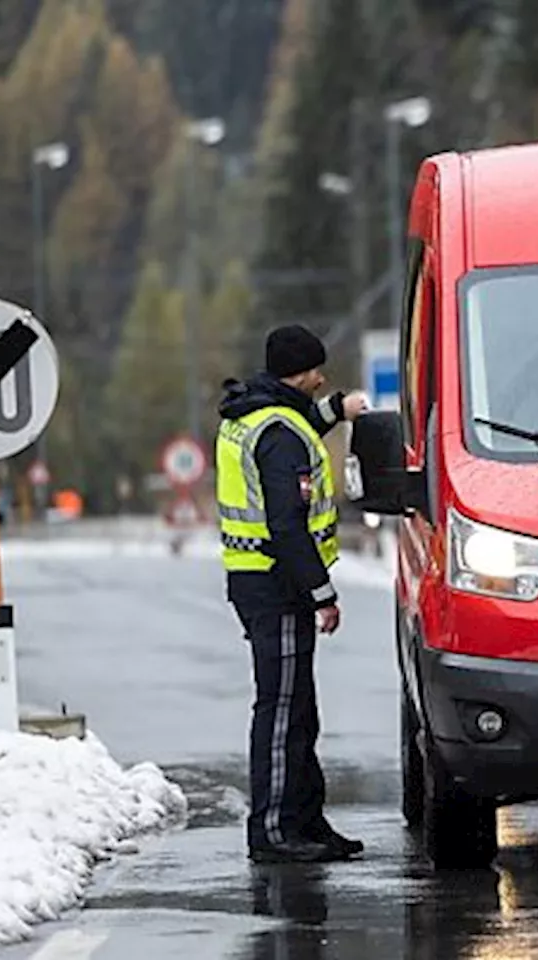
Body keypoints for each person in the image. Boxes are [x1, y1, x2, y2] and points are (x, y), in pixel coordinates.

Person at [216, 324, 370, 863]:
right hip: (277, 584)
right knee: (282, 711)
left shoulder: (256, 413)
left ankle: (307, 819)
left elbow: (300, 417)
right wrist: (322, 593)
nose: (322, 376)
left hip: (262, 580)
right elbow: (287, 525)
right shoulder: (280, 435)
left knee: (299, 708)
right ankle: (275, 831)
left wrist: (337, 410)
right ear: (298, 372)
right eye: (316, 370)